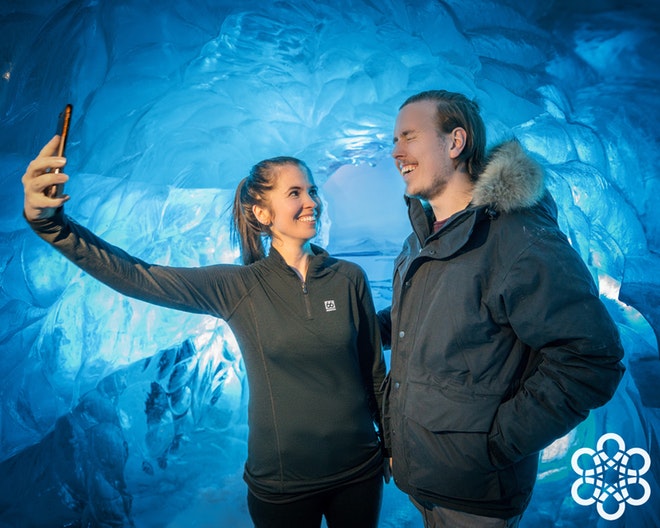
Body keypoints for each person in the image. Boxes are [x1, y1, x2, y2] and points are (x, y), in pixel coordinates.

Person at [22, 136, 386, 528]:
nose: (312, 201)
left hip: (360, 472)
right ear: (262, 214)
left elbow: (374, 370)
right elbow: (139, 276)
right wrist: (53, 227)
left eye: (312, 190)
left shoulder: (349, 278)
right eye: (295, 192)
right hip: (283, 485)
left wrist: (392, 444)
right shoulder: (239, 287)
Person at [377, 90, 625, 527]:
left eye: (409, 137)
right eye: (395, 140)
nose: (396, 152)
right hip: (423, 479)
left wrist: (495, 445)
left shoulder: (518, 238)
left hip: (476, 497)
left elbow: (591, 358)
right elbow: (417, 321)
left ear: (456, 142)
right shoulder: (420, 238)